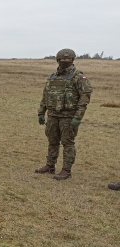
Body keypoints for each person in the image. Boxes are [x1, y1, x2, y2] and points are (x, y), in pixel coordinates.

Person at [35, 48, 92, 180]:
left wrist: (78, 117)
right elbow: (46, 95)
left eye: (68, 59)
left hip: (69, 117)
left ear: (72, 60)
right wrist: (41, 112)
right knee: (52, 141)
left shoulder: (78, 77)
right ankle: (50, 165)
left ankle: (66, 170)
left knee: (68, 143)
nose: (65, 61)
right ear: (58, 60)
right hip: (53, 115)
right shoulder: (53, 77)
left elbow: (84, 98)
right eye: (62, 59)